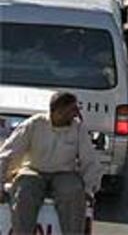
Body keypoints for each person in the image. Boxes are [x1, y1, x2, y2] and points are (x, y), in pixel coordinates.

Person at [0, 92, 102, 235]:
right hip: (33, 169)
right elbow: (9, 152)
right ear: (58, 111)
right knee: (24, 193)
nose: (76, 114)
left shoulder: (78, 128)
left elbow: (90, 160)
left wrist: (89, 189)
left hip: (64, 173)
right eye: (72, 110)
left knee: (74, 192)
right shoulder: (35, 123)